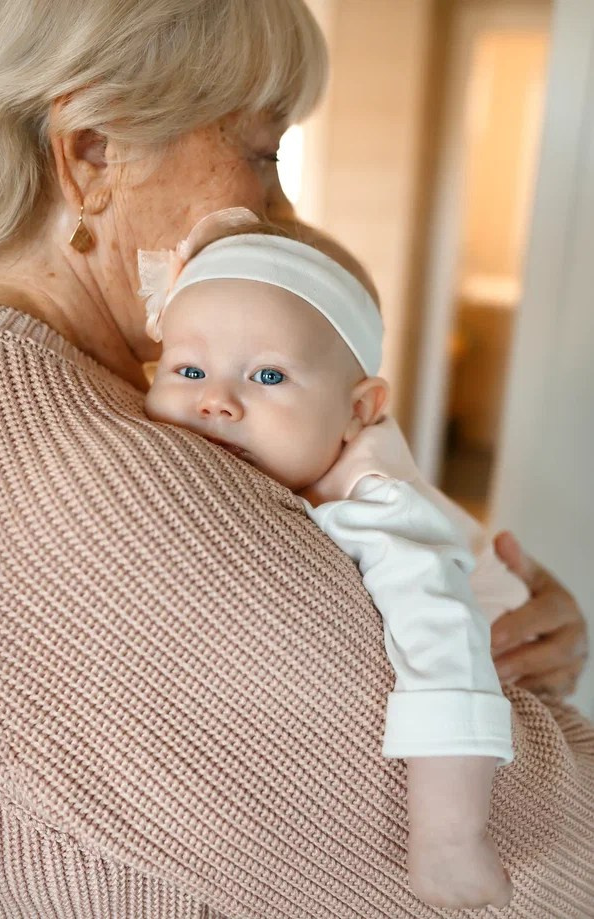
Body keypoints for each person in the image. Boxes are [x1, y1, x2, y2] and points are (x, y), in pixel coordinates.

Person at [0, 1, 591, 916]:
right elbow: (547, 861)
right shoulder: (92, 484)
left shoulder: (139, 398)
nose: (282, 209)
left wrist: (479, 620)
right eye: (264, 153)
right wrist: (536, 715)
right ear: (94, 151)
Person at [140, 206, 525, 909]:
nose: (218, 400)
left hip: (503, 647)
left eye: (269, 376)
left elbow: (445, 645)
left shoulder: (379, 509)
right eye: (188, 368)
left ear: (359, 411)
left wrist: (448, 836)